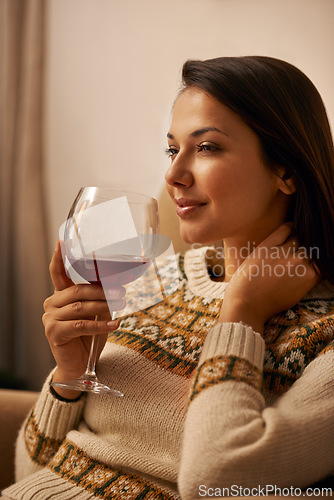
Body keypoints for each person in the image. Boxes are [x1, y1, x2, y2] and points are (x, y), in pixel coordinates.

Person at [2, 56, 334, 500]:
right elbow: (33, 471)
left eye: (207, 147)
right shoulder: (155, 279)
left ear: (286, 171)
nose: (173, 175)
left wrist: (241, 314)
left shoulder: (325, 336)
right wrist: (71, 374)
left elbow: (215, 483)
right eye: (173, 149)